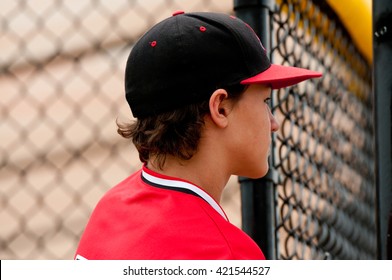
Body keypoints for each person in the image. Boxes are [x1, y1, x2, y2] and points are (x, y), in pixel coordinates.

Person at [74, 11, 321, 260]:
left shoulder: (112, 207)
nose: (274, 123)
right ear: (221, 107)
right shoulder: (226, 254)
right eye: (265, 101)